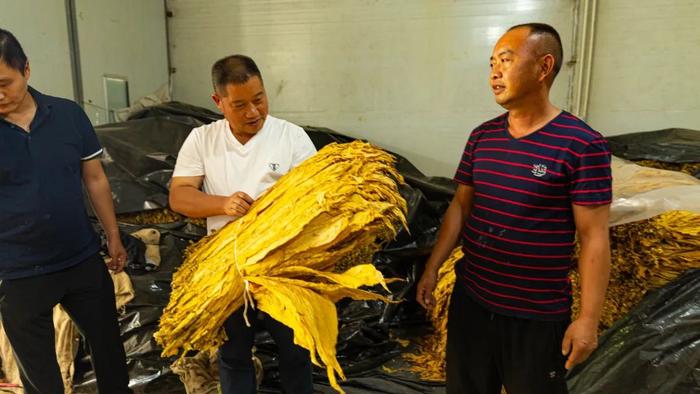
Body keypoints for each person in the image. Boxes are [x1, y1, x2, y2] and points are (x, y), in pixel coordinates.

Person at [416, 23, 612, 394]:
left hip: (535, 317)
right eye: (491, 62)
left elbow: (593, 236)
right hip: (471, 302)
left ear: (544, 67)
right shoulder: (482, 137)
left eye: (506, 60)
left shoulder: (582, 145)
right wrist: (432, 267)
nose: (494, 72)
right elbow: (460, 207)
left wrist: (588, 320)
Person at [169, 54, 317, 394]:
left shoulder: (292, 138)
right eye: (240, 105)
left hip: (284, 266)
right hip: (227, 268)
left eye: (259, 99)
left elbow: (315, 199)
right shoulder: (202, 139)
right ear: (218, 102)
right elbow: (179, 196)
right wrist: (222, 203)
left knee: (296, 350)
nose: (253, 112)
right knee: (233, 354)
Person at [0, 29, 132, 394]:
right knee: (42, 380)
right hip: (19, 272)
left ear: (26, 69)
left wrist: (114, 235)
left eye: (4, 83)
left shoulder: (68, 115)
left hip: (80, 260)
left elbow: (95, 179)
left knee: (110, 355)